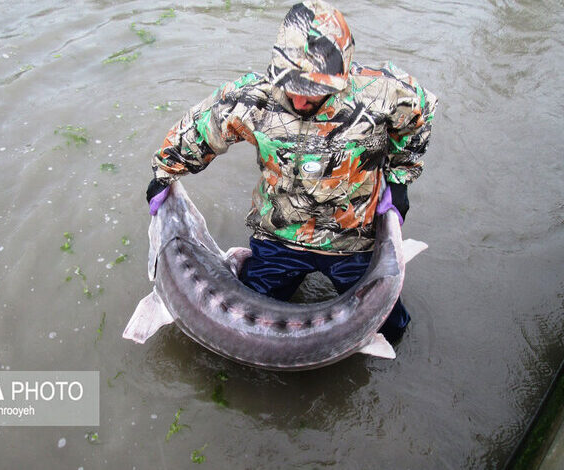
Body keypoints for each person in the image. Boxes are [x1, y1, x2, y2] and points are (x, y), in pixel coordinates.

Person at [146, 0, 437, 343]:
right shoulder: (253, 99)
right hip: (279, 236)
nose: (300, 102)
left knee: (391, 329)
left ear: (340, 76)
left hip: (355, 238)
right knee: (246, 331)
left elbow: (419, 118)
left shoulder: (382, 93)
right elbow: (199, 130)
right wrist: (163, 175)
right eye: (292, 86)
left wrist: (401, 178)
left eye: (312, 91)